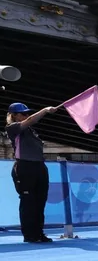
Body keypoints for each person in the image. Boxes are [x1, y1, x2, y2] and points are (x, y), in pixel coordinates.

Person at [4, 102, 58, 243]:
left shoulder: (32, 132)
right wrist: (45, 109)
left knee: (40, 202)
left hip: (39, 166)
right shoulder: (12, 128)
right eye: (23, 113)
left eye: (27, 113)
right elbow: (30, 121)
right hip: (24, 167)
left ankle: (39, 232)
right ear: (14, 116)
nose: (26, 116)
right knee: (28, 202)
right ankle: (29, 234)